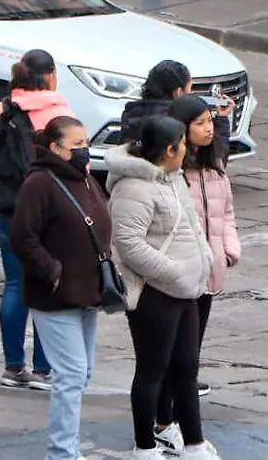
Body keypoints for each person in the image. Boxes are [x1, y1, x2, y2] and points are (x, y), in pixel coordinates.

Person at [107, 117, 218, 460]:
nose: (187, 148)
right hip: (155, 294)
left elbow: (190, 223)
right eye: (183, 143)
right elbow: (128, 243)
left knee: (186, 368)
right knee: (152, 370)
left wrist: (205, 259)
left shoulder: (173, 177)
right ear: (170, 149)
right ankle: (144, 446)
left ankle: (194, 442)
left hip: (186, 290)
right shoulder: (133, 188)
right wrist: (175, 271)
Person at [9, 117, 113, 460]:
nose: (84, 150)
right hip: (54, 296)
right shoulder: (39, 183)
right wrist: (51, 269)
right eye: (76, 144)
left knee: (83, 373)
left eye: (86, 142)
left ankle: (67, 446)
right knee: (70, 374)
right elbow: (22, 237)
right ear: (55, 148)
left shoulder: (83, 177)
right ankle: (62, 453)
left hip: (86, 292)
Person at [151, 95, 242, 455]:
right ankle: (163, 423)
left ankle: (173, 422)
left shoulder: (215, 167)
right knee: (172, 357)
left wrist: (229, 250)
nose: (209, 128)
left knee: (190, 355)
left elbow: (227, 214)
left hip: (210, 275)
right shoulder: (170, 174)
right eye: (201, 123)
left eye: (210, 122)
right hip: (177, 277)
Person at [0, 49, 76, 390]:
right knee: (48, 282)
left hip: (8, 209)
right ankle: (42, 369)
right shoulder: (59, 111)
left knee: (13, 283)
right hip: (48, 209)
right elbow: (71, 162)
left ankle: (12, 367)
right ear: (50, 74)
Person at [120, 60, 233, 159]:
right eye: (190, 89)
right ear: (179, 92)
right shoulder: (176, 123)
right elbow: (215, 160)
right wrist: (222, 121)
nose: (191, 94)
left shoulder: (131, 114)